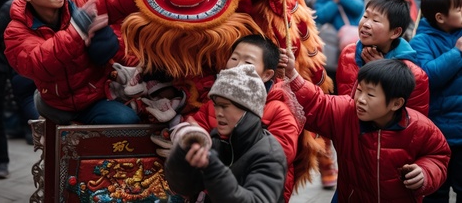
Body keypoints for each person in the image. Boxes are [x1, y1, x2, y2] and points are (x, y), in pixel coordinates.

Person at [285, 58, 450, 202]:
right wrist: (292, 74)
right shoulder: (345, 113)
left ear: (396, 103)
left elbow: (438, 156)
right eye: (359, 90)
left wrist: (425, 173)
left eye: (370, 95)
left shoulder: (420, 128)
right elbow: (316, 104)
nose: (361, 100)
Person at [3, 0, 140, 125]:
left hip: (95, 97)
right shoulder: (15, 31)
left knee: (127, 120)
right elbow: (40, 63)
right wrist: (77, 29)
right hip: (57, 104)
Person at [185, 33, 304, 202]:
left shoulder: (279, 110)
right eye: (234, 59)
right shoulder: (214, 103)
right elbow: (196, 132)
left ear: (267, 74)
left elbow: (279, 156)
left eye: (248, 62)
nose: (238, 66)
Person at [165, 64, 287, 203]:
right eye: (216, 105)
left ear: (248, 108)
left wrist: (213, 167)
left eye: (225, 106)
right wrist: (183, 151)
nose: (218, 113)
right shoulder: (217, 140)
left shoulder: (269, 153)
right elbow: (184, 187)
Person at [410, 0, 462, 202]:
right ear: (440, 17)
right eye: (459, 9)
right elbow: (427, 77)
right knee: (435, 191)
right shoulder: (421, 41)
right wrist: (456, 52)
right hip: (439, 132)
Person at [337, 0, 430, 115]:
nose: (366, 24)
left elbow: (413, 122)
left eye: (375, 20)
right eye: (365, 16)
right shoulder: (349, 53)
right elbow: (343, 103)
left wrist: (382, 72)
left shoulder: (415, 75)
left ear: (395, 32)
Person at [314, 0, 374, 81]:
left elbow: (358, 5)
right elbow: (321, 16)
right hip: (337, 40)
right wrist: (334, 2)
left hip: (360, 32)